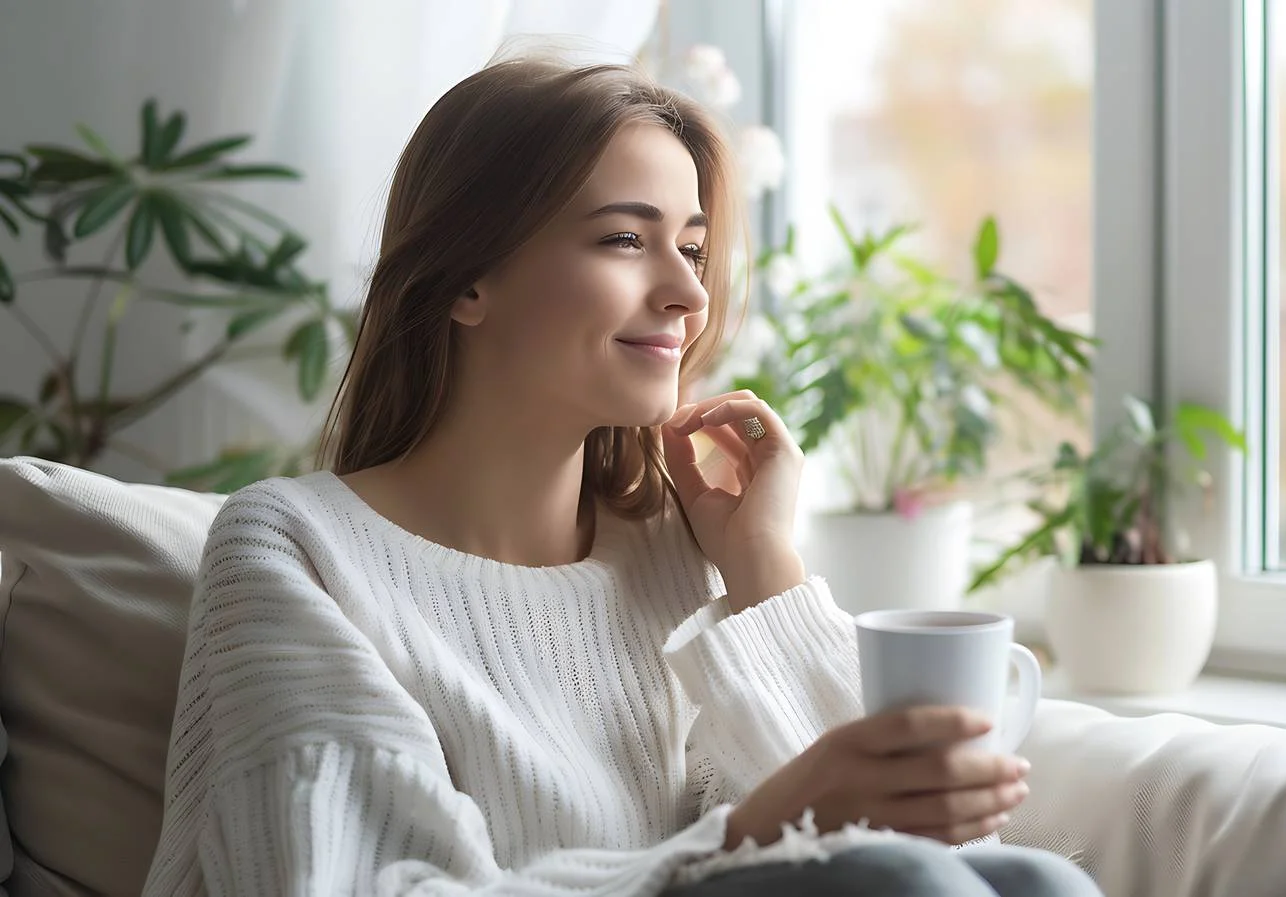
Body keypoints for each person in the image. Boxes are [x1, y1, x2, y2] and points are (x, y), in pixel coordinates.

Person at [142, 51, 1104, 897]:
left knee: (1037, 880)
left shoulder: (671, 553)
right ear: (466, 278)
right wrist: (756, 826)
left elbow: (920, 841)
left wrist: (761, 564)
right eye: (624, 239)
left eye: (691, 247)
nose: (688, 293)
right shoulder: (295, 548)